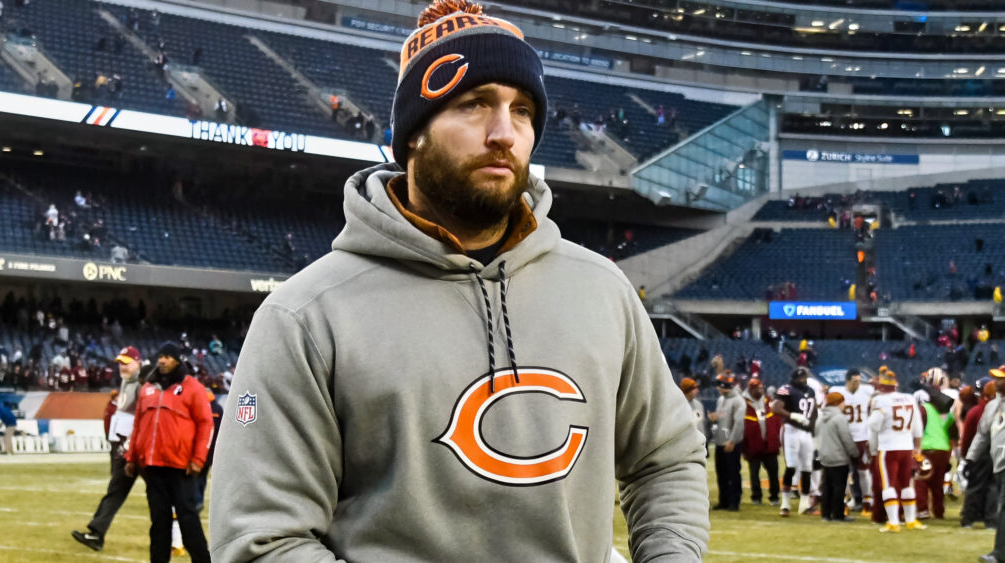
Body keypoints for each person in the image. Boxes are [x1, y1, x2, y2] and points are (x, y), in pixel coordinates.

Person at [209, 1, 710, 560]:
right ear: (414, 134)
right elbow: (263, 538)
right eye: (474, 105)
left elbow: (666, 460)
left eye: (522, 110)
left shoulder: (601, 289)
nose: (504, 133)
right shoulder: (305, 315)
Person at [125, 342, 213, 563]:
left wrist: (198, 458)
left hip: (181, 467)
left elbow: (205, 425)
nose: (162, 360)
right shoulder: (147, 388)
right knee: (159, 525)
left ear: (177, 360)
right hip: (153, 468)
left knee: (188, 521)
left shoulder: (193, 387)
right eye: (160, 356)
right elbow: (138, 425)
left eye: (167, 357)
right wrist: (131, 457)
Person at [72, 347, 144, 551]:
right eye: (120, 362)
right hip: (123, 447)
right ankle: (97, 532)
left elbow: (143, 417)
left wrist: (129, 444)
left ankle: (178, 535)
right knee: (117, 490)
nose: (122, 366)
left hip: (132, 448)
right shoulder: (126, 382)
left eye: (126, 362)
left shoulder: (141, 384)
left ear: (137, 362)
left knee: (160, 493)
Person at [868, 370, 925, 533]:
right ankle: (910, 520)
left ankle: (893, 522)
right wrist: (918, 446)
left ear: (881, 386)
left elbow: (874, 426)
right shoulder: (909, 398)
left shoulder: (880, 400)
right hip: (907, 446)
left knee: (888, 484)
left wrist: (874, 413)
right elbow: (917, 426)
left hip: (888, 447)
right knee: (907, 483)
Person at [967, 366, 1005, 563]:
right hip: (998, 465)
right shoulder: (992, 406)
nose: (996, 383)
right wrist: (970, 458)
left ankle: (999, 554)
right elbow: (982, 435)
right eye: (995, 379)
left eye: (1001, 379)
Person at [772, 367, 818, 516]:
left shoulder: (811, 391)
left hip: (806, 432)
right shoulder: (787, 389)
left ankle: (804, 505)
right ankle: (785, 504)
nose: (803, 380)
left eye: (804, 377)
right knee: (791, 466)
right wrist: (792, 416)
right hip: (792, 430)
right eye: (800, 378)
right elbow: (775, 408)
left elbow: (814, 410)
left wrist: (812, 426)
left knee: (807, 468)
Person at [828, 368, 874, 515]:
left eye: (859, 381)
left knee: (863, 472)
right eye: (855, 382)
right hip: (844, 438)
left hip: (862, 438)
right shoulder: (836, 391)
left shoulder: (867, 391)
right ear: (847, 381)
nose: (858, 384)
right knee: (843, 472)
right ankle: (845, 501)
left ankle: (867, 502)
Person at [914, 369, 955, 520]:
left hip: (927, 448)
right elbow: (952, 436)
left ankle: (923, 510)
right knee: (937, 483)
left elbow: (918, 430)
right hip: (943, 450)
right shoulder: (948, 415)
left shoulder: (923, 409)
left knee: (921, 480)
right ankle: (939, 512)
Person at [961, 379, 999, 529]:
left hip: (979, 453)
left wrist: (966, 456)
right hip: (997, 452)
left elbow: (967, 437)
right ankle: (991, 520)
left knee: (974, 487)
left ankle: (968, 519)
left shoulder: (975, 411)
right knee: (994, 487)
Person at [816, 391, 857, 522]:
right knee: (839, 487)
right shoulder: (840, 418)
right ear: (839, 402)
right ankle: (837, 514)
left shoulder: (820, 418)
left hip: (824, 457)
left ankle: (825, 514)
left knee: (826, 486)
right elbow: (846, 438)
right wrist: (854, 452)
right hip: (839, 457)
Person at [742, 377, 781, 506]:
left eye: (761, 388)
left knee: (773, 471)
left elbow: (776, 423)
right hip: (753, 445)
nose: (761, 390)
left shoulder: (768, 402)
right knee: (754, 473)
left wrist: (776, 441)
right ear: (752, 389)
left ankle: (774, 496)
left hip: (769, 444)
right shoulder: (744, 404)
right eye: (758, 388)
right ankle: (756, 496)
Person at [711, 372, 745, 511]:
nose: (717, 388)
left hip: (731, 443)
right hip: (720, 441)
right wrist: (715, 418)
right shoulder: (721, 399)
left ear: (723, 386)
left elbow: (738, 423)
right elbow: (722, 418)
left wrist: (732, 440)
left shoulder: (738, 401)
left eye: (719, 385)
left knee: (733, 472)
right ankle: (723, 500)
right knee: (721, 473)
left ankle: (734, 501)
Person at [681, 376, 707, 441]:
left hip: (701, 440)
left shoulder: (699, 404)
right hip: (688, 442)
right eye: (694, 389)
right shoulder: (679, 406)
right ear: (688, 391)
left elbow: (702, 423)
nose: (697, 391)